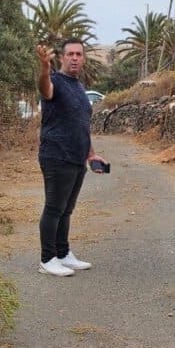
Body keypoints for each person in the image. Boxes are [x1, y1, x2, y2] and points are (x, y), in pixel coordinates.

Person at [36, 39, 107, 277]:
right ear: (62, 58)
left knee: (66, 210)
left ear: (84, 59)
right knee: (54, 208)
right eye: (70, 54)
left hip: (77, 159)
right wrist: (44, 68)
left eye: (79, 54)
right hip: (56, 155)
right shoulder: (55, 81)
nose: (75, 58)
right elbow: (44, 88)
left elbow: (82, 126)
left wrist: (92, 154)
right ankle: (47, 259)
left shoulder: (78, 87)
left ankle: (63, 254)